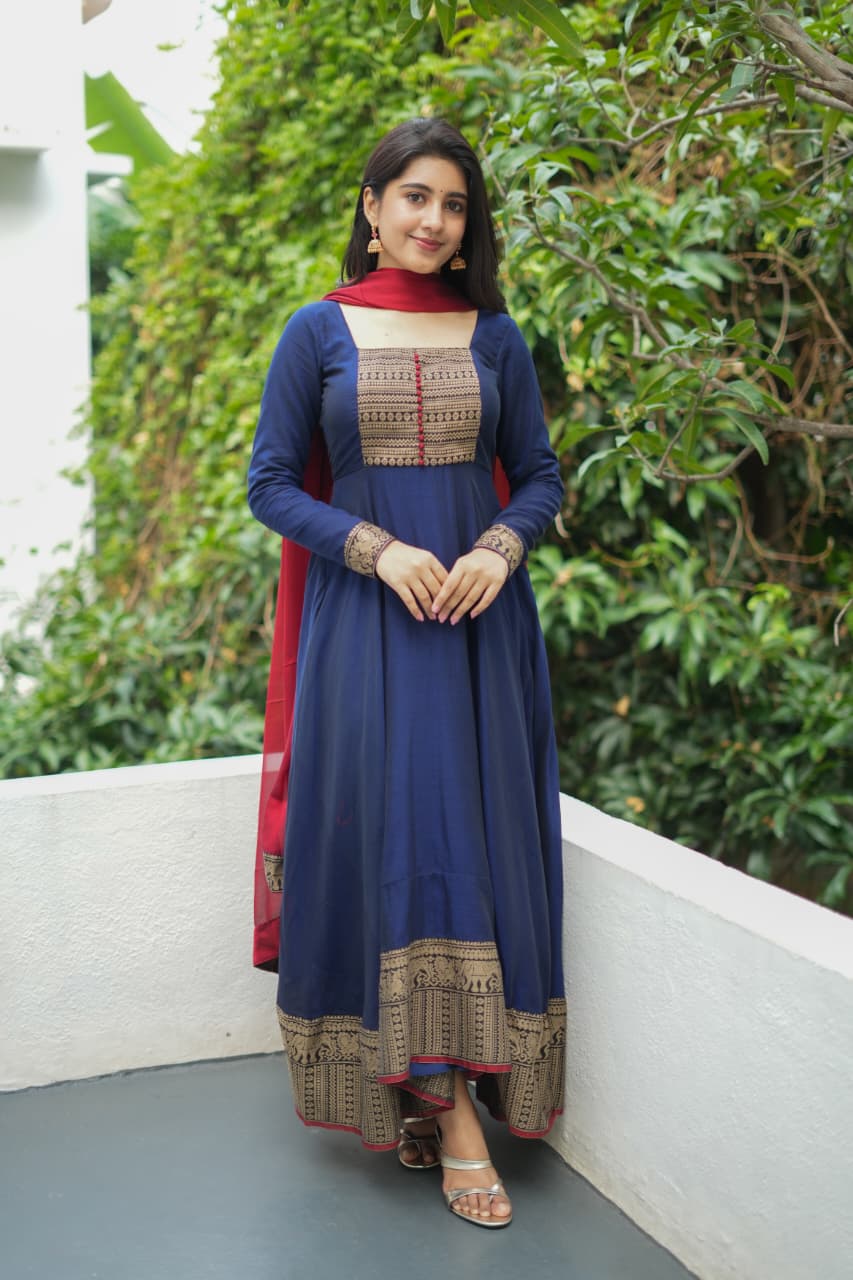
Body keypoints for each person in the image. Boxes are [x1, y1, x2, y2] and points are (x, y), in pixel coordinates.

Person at [248, 117, 565, 1231]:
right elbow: (271, 484)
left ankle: (442, 1088)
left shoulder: (496, 336)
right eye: (415, 196)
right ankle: (445, 1108)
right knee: (387, 841)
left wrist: (498, 547)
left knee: (469, 846)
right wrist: (377, 549)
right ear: (372, 206)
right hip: (365, 632)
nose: (434, 219)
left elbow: (538, 475)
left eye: (454, 204)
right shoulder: (317, 330)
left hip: (480, 634)